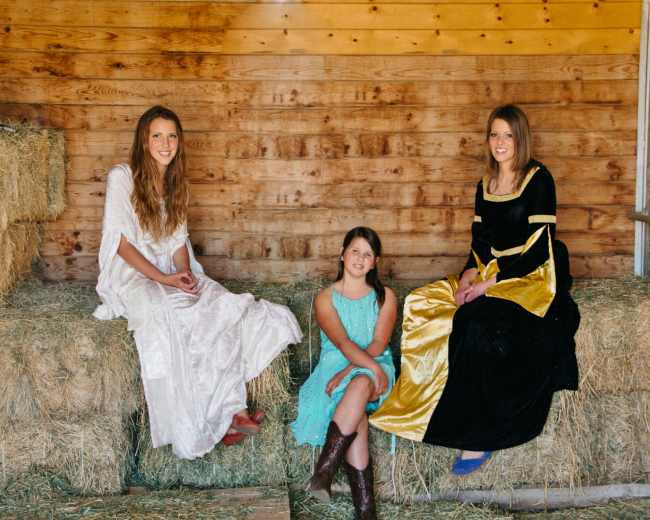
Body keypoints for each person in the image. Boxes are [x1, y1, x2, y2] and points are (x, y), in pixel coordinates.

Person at [370, 104, 580, 476]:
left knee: (473, 322)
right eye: (495, 134)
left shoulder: (537, 179)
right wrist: (470, 272)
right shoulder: (485, 183)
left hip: (531, 276)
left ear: (520, 139)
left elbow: (537, 250)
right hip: (492, 270)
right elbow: (481, 242)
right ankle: (415, 402)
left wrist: (485, 286)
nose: (500, 142)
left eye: (508, 135)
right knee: (423, 301)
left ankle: (476, 434)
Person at [93, 105, 302, 458]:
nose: (166, 143)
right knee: (171, 316)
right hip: (133, 272)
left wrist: (185, 275)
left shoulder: (175, 183)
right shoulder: (122, 177)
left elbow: (177, 243)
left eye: (172, 136)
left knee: (217, 304)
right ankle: (203, 422)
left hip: (169, 268)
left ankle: (232, 410)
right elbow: (121, 245)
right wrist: (164, 279)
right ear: (144, 140)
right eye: (157, 135)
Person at [291, 227, 397, 519]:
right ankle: (366, 510)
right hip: (336, 364)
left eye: (367, 254)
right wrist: (360, 367)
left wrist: (364, 367)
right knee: (357, 412)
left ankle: (324, 471)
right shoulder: (325, 298)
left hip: (375, 363)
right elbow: (342, 342)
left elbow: (378, 342)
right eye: (355, 251)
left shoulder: (385, 296)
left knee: (362, 381)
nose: (360, 259)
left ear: (375, 261)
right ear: (342, 254)